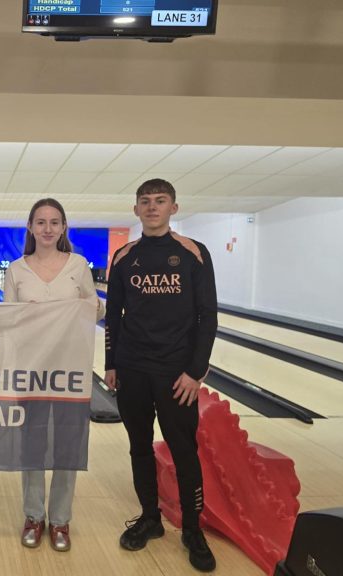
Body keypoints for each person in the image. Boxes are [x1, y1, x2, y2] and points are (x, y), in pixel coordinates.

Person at [104, 178, 218, 572]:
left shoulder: (193, 253)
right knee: (139, 446)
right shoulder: (124, 256)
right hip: (133, 369)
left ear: (174, 207)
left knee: (184, 450)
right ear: (135, 210)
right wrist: (111, 364)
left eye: (160, 201)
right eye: (145, 202)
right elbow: (113, 316)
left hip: (175, 374)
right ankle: (149, 518)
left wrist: (194, 372)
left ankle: (192, 529)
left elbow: (208, 317)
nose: (152, 207)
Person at [3, 198, 102, 552]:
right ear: (30, 227)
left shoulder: (78, 265)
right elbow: (7, 321)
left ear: (63, 228)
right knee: (32, 446)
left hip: (69, 370)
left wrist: (85, 307)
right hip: (30, 371)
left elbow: (95, 307)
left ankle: (60, 520)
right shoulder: (16, 269)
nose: (47, 228)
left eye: (54, 222)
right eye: (41, 222)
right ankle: (33, 515)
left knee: (66, 447)